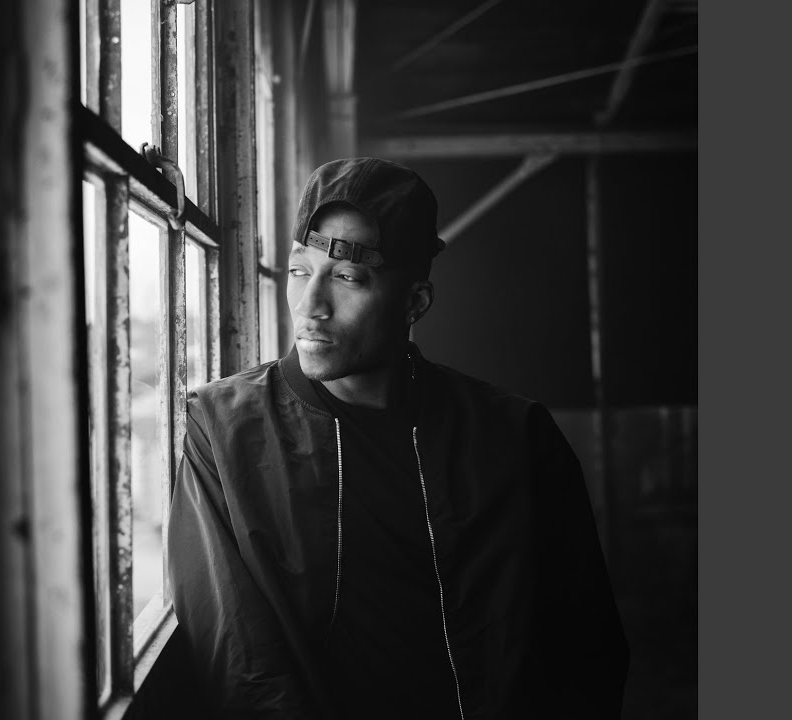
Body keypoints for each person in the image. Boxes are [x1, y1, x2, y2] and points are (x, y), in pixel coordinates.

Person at [167, 158, 629, 719]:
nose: (310, 307)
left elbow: (584, 644)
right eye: (298, 270)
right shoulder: (224, 430)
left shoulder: (515, 437)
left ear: (415, 302)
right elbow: (238, 656)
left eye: (347, 278)